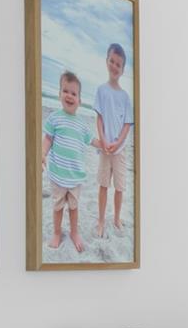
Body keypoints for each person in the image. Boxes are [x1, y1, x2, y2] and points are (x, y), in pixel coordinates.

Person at [42, 71, 96, 253]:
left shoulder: (82, 124)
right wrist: (42, 154)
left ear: (80, 100)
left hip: (75, 176)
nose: (69, 96)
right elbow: (48, 139)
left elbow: (92, 140)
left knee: (74, 207)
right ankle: (57, 233)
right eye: (65, 91)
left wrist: (104, 145)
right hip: (58, 174)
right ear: (59, 94)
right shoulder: (54, 118)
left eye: (74, 93)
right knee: (58, 207)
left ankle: (74, 232)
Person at [93, 42, 132, 239]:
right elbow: (99, 118)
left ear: (123, 69)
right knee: (103, 185)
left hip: (120, 149)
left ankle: (116, 218)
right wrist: (103, 139)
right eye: (112, 61)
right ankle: (101, 220)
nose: (115, 66)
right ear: (107, 61)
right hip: (104, 148)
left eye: (119, 64)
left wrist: (117, 143)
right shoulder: (101, 90)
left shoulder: (125, 97)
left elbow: (127, 124)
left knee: (119, 187)